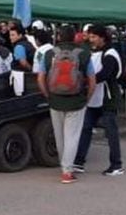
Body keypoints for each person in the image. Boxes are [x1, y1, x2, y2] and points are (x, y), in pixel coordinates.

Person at [37, 25, 95, 184]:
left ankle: (64, 165)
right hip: (76, 101)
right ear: (74, 37)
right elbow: (92, 81)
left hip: (55, 100)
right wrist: (87, 98)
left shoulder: (49, 54)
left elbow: (40, 78)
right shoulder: (83, 54)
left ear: (58, 37)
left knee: (59, 136)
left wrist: (48, 95)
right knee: (72, 136)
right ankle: (67, 171)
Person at [73, 26, 125, 176]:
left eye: (94, 36)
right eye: (90, 36)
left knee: (111, 132)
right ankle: (79, 162)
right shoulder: (93, 53)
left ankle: (116, 164)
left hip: (107, 98)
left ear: (103, 37)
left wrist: (85, 80)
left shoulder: (110, 54)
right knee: (85, 128)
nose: (91, 39)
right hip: (93, 98)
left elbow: (105, 74)